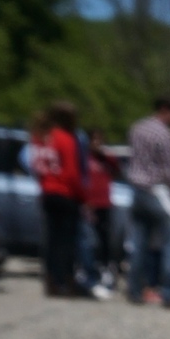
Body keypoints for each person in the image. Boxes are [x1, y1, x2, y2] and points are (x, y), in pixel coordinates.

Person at [125, 97, 170, 309]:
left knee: (139, 240)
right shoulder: (164, 135)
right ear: (167, 110)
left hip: (137, 189)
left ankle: (134, 289)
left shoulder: (137, 128)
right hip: (157, 191)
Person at [29, 103, 81, 298]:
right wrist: (81, 196)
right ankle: (66, 280)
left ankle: (50, 280)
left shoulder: (39, 137)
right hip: (65, 193)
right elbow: (71, 173)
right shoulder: (66, 139)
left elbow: (35, 165)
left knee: (50, 240)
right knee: (66, 241)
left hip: (46, 192)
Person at [77, 124, 119, 298]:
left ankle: (105, 270)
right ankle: (86, 271)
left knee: (104, 240)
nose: (97, 143)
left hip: (104, 203)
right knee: (89, 241)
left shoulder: (106, 159)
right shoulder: (84, 159)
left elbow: (116, 172)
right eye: (94, 140)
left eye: (100, 140)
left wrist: (107, 155)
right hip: (89, 204)